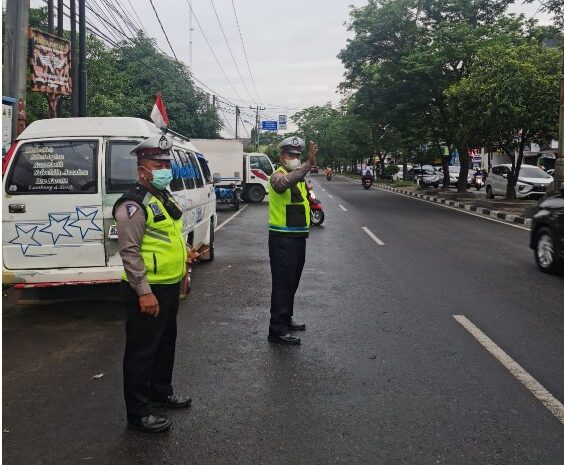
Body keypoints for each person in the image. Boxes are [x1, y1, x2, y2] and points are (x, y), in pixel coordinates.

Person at [113, 133, 198, 433]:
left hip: (169, 284)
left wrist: (185, 257)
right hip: (146, 289)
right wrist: (144, 292)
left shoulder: (162, 196)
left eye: (165, 162)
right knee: (141, 351)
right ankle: (138, 412)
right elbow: (130, 252)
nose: (164, 168)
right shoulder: (132, 205)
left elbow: (170, 235)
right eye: (157, 163)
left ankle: (160, 391)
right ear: (142, 169)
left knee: (165, 343)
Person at [268, 136, 317, 345]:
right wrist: (307, 165)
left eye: (298, 155)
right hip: (282, 238)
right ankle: (276, 330)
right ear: (282, 157)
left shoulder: (297, 176)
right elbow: (282, 185)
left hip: (297, 237)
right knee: (283, 283)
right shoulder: (277, 175)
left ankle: (286, 318)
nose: (295, 158)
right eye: (292, 155)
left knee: (292, 282)